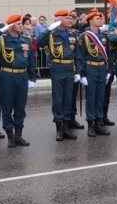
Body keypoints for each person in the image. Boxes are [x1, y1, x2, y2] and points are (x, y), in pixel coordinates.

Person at [0, 14, 37, 147]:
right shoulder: (2, 39)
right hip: (7, 75)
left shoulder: (25, 39)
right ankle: (10, 135)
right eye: (18, 24)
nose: (21, 26)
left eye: (21, 23)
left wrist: (32, 77)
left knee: (20, 107)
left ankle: (19, 135)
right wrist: (1, 31)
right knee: (7, 106)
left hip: (22, 75)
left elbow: (31, 59)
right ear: (10, 25)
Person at [37, 9, 80, 140]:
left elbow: (78, 54)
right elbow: (39, 42)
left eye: (70, 18)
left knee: (68, 99)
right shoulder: (51, 34)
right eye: (66, 17)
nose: (70, 19)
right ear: (58, 19)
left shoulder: (73, 34)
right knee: (58, 100)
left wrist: (78, 71)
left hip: (69, 67)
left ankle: (67, 127)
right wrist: (48, 30)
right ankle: (59, 129)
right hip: (57, 67)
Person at [77, 9, 111, 138]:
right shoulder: (84, 36)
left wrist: (109, 70)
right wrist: (82, 74)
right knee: (91, 97)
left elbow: (108, 54)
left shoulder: (104, 36)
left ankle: (99, 123)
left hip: (102, 68)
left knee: (100, 96)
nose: (100, 20)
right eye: (97, 19)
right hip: (90, 68)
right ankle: (91, 124)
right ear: (90, 21)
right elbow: (80, 56)